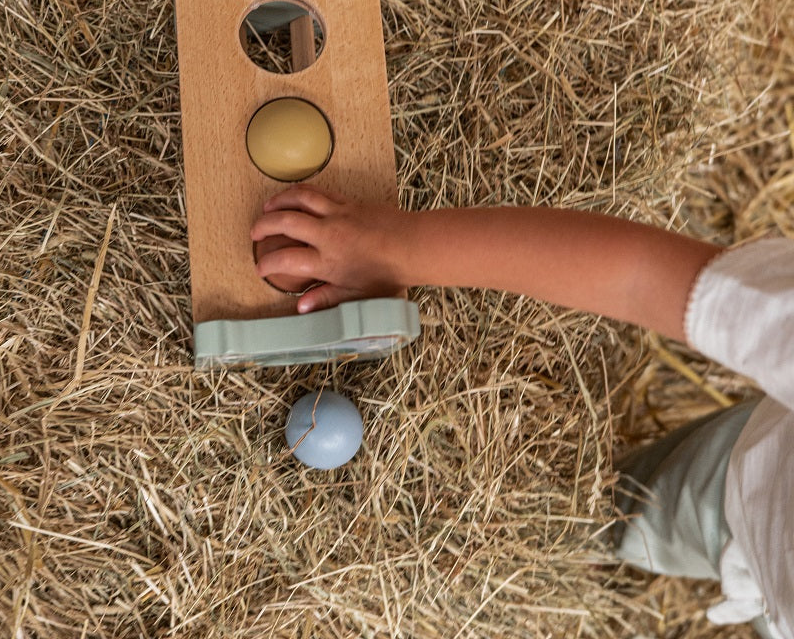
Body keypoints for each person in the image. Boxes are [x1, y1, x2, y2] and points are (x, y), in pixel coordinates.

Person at [251, 183, 794, 639]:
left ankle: (611, 527)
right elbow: (641, 276)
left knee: (681, 523)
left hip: (770, 574)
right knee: (657, 507)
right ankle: (603, 520)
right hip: (748, 489)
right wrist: (396, 247)